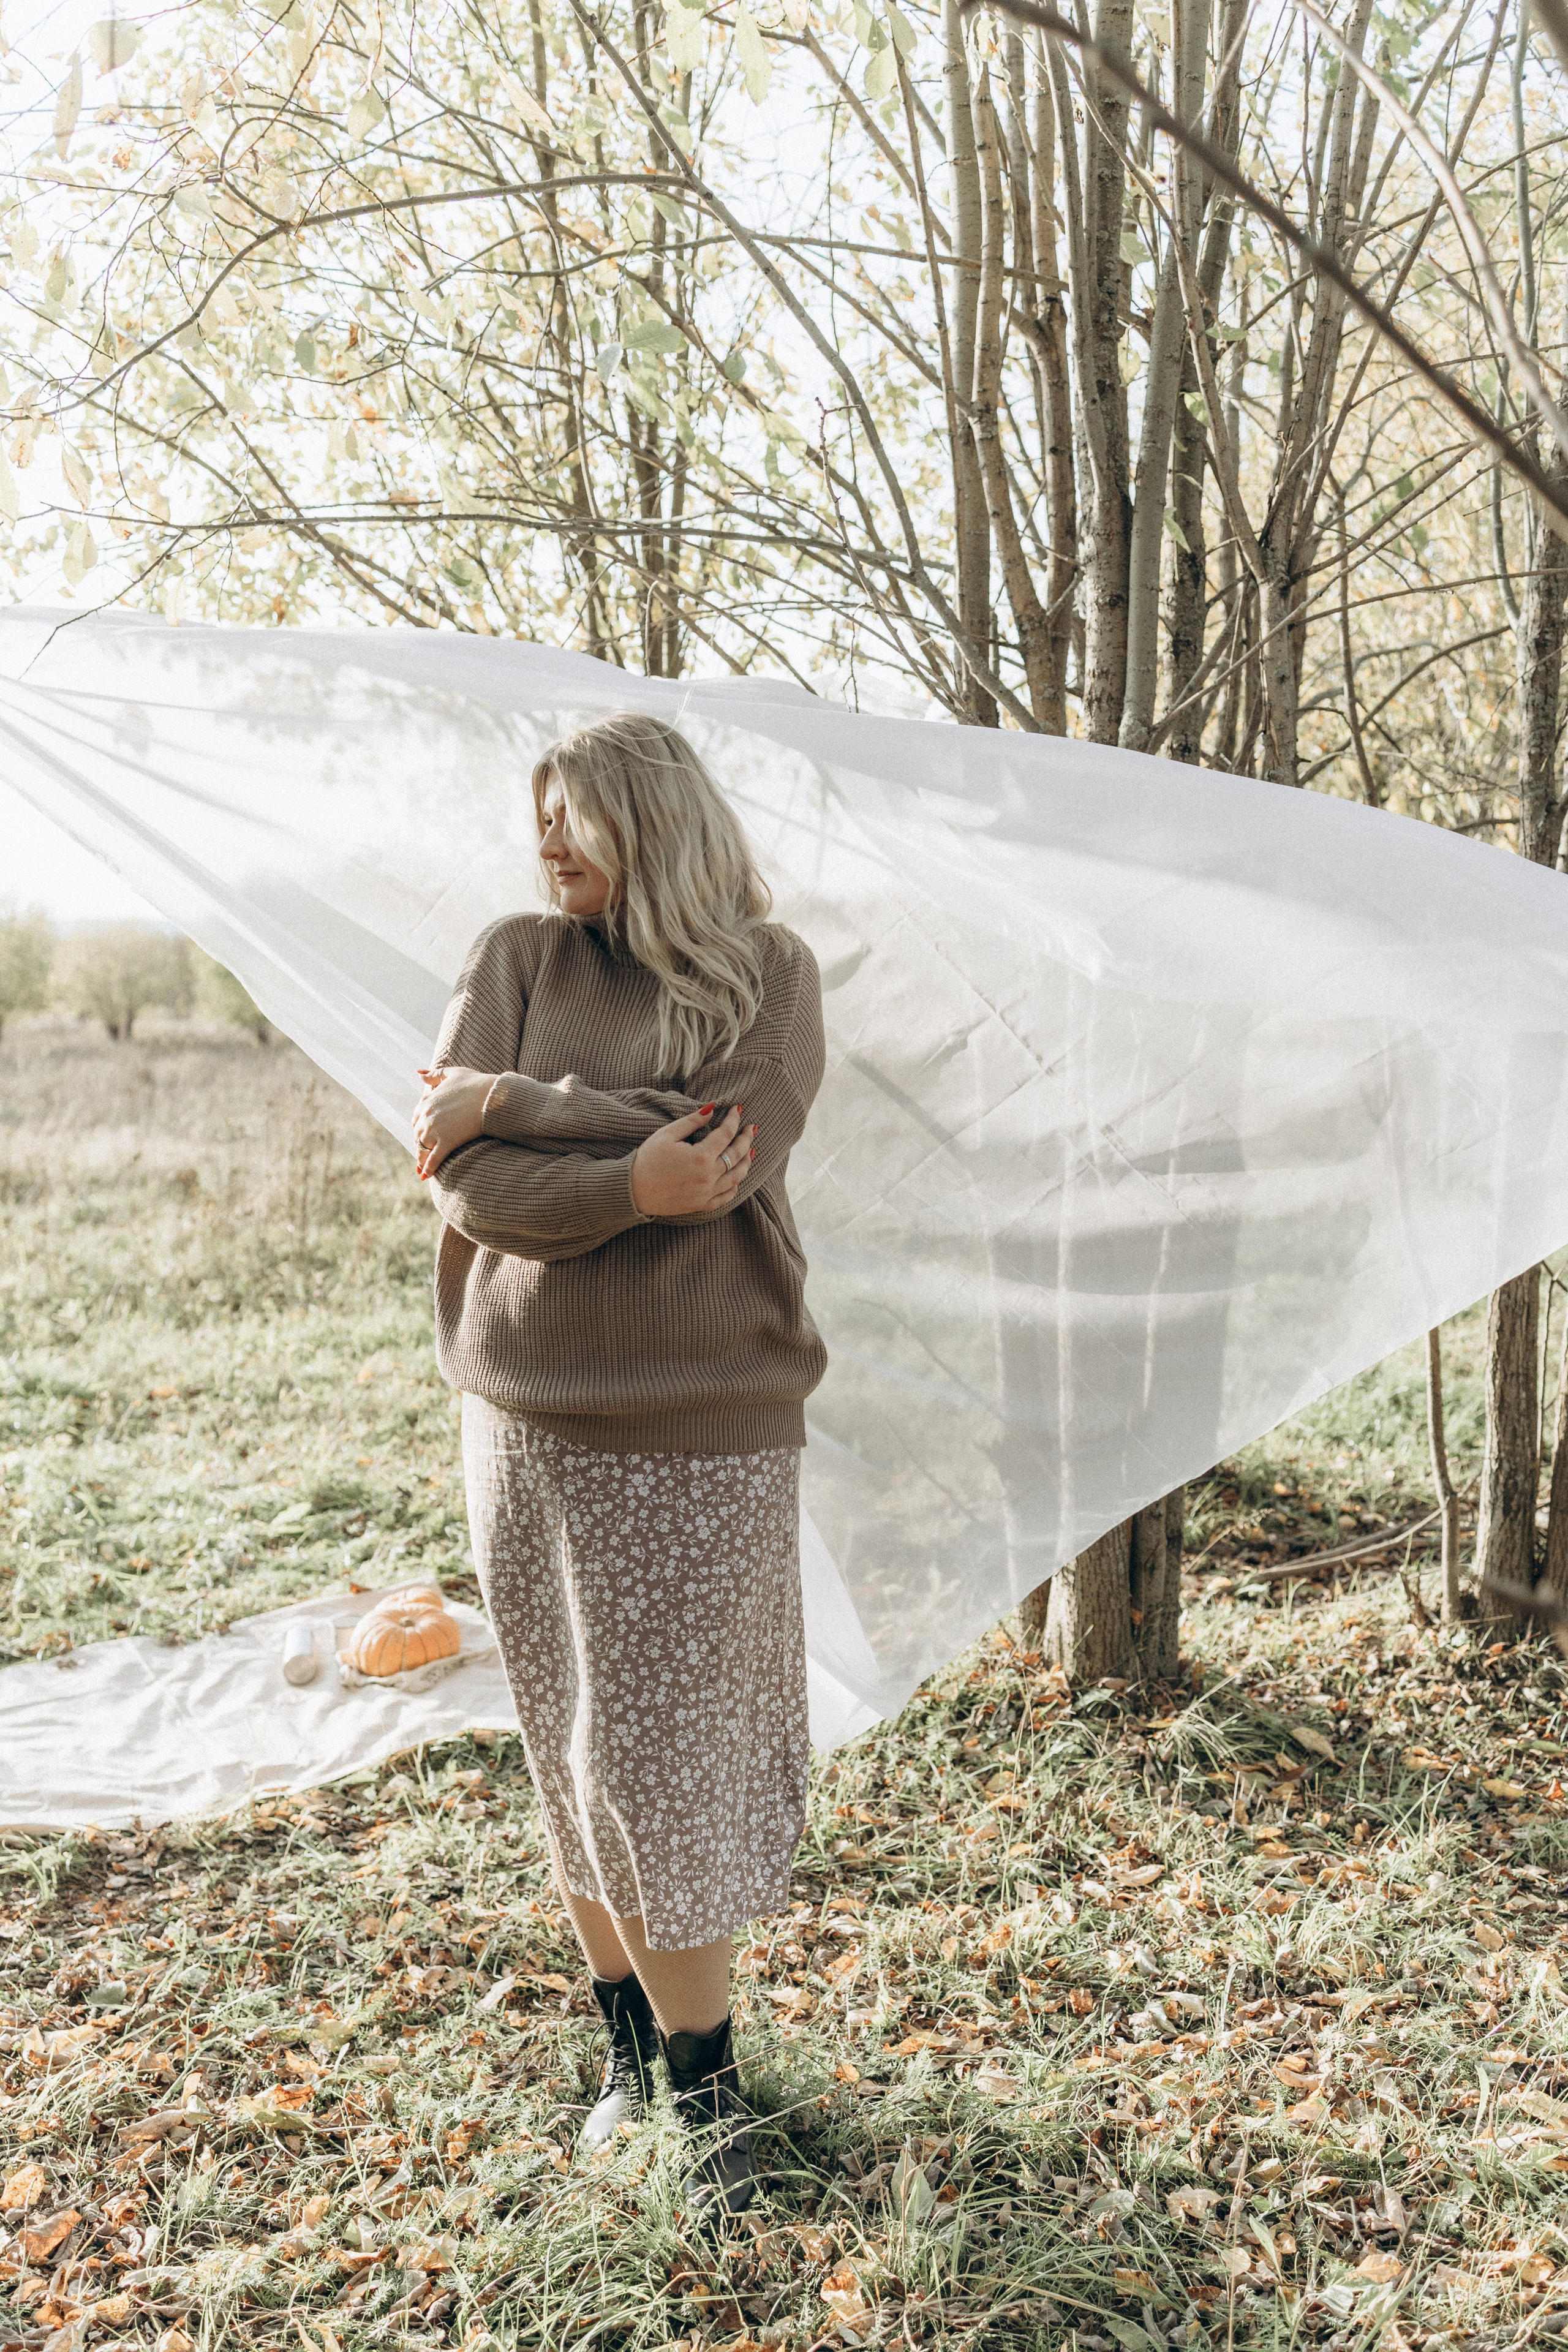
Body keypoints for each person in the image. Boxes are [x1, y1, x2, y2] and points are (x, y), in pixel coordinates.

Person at [409, 712, 826, 2221]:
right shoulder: (516, 957)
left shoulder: (768, 976)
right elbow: (463, 1182)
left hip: (701, 1420)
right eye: (539, 814)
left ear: (653, 821)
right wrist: (616, 1174)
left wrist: (518, 1104)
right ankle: (629, 2059)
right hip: (521, 1415)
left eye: (572, 813)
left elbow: (719, 1149)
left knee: (666, 1761)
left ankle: (706, 2096)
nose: (545, 841)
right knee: (568, 1747)